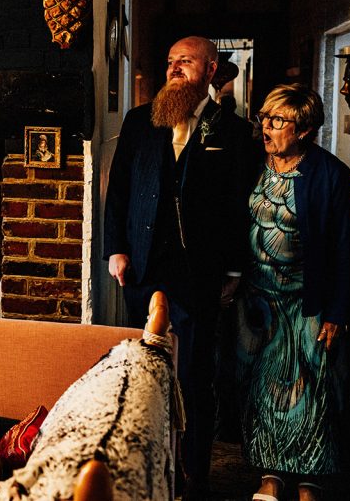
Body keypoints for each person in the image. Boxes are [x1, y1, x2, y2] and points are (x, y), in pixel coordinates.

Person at [103, 35, 258, 498]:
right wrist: (116, 248)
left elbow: (238, 204)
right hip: (143, 266)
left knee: (193, 375)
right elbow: (120, 191)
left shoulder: (232, 131)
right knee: (144, 370)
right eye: (170, 61)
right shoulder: (138, 121)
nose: (174, 69)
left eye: (185, 62)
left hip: (199, 270)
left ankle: (195, 476)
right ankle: (147, 467)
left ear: (211, 70)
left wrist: (233, 268)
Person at [235, 84, 350, 501]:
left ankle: (309, 480)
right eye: (264, 118)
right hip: (256, 300)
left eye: (277, 120)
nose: (265, 127)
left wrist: (337, 311)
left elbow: (342, 248)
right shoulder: (250, 164)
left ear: (303, 130)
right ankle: (270, 475)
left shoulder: (330, 174)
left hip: (307, 300)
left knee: (309, 391)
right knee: (260, 390)